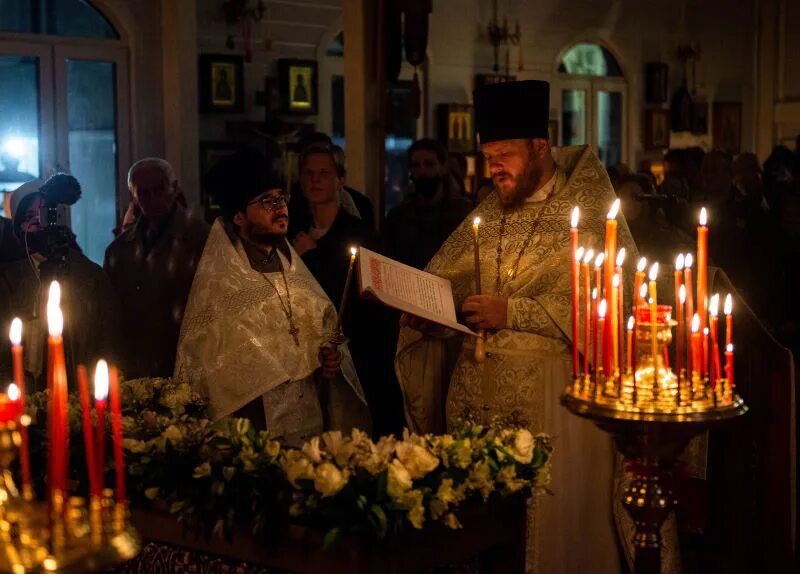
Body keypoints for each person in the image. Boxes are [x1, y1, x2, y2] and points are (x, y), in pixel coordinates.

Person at [395, 80, 638, 573]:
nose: (495, 168)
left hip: (554, 414)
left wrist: (513, 313)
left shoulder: (588, 213)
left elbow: (613, 309)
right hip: (476, 421)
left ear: (539, 146)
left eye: (504, 155)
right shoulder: (489, 213)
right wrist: (438, 320)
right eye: (488, 158)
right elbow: (454, 287)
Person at [174, 148, 370, 446]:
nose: (280, 208)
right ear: (238, 216)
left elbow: (321, 342)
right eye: (267, 201)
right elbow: (214, 380)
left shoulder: (296, 272)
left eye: (281, 198)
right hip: (256, 437)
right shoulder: (220, 287)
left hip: (310, 433)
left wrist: (328, 361)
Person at [292, 144, 404, 437]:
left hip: (358, 356)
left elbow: (363, 303)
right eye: (309, 173)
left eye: (324, 173)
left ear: (340, 180)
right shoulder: (294, 234)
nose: (315, 180)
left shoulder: (359, 234)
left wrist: (312, 258)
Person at [0, 175, 121, 392]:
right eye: (29, 216)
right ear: (19, 227)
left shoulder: (89, 276)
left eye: (44, 214)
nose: (38, 223)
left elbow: (107, 341)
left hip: (79, 391)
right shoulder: (8, 280)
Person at [104, 158, 210, 379]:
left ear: (174, 188)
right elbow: (111, 315)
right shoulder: (119, 250)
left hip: (187, 362)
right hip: (135, 366)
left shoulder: (202, 239)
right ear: (134, 197)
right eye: (144, 193)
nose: (153, 199)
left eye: (159, 189)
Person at [383, 138, 473, 270]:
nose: (422, 171)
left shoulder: (463, 213)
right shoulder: (398, 218)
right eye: (416, 165)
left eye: (429, 164)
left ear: (443, 168)